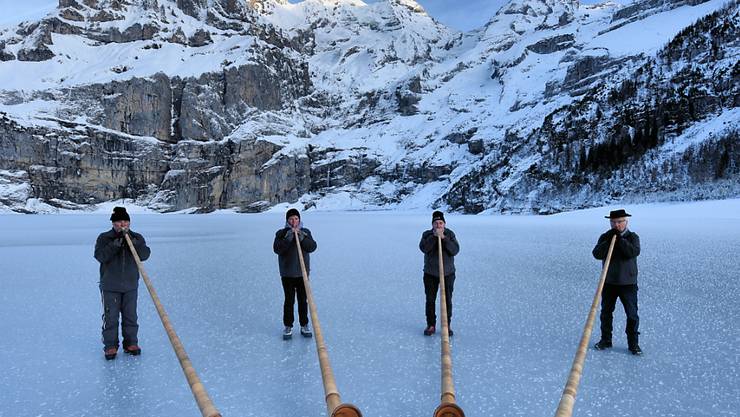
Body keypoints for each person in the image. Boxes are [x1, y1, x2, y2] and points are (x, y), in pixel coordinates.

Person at [94, 207, 151, 360]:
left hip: (131, 286)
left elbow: (145, 255)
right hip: (110, 286)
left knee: (130, 316)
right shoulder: (104, 238)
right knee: (110, 317)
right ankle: (110, 346)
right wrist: (115, 245)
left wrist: (136, 244)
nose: (122, 224)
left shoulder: (136, 237)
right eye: (119, 221)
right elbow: (100, 256)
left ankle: (131, 343)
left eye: (125, 221)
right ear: (113, 223)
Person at [592, 209, 642, 355]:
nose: (616, 225)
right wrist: (609, 240)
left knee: (632, 315)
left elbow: (632, 252)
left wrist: (619, 240)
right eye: (613, 222)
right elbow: (597, 254)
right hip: (608, 282)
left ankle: (633, 344)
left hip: (628, 283)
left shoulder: (633, 237)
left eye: (619, 221)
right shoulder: (605, 237)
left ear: (626, 222)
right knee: (606, 313)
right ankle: (606, 340)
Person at [273, 208, 317, 340]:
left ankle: (304, 325)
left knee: (303, 300)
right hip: (287, 273)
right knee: (289, 300)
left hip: (303, 273)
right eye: (291, 219)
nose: (294, 221)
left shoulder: (306, 232)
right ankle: (288, 326)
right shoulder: (281, 233)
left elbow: (312, 247)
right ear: (287, 220)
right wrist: (288, 237)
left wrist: (301, 236)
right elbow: (277, 249)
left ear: (299, 219)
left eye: (296, 218)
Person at [419, 210, 460, 336]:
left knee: (447, 300)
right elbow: (424, 248)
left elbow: (455, 250)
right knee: (430, 300)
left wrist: (443, 238)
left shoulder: (450, 234)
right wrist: (434, 237)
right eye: (436, 223)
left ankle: (446, 325)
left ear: (444, 224)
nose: (438, 225)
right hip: (431, 273)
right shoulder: (426, 234)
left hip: (448, 274)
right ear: (432, 224)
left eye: (440, 223)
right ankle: (431, 325)